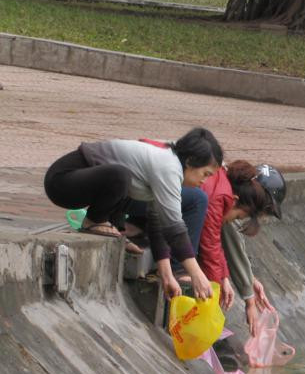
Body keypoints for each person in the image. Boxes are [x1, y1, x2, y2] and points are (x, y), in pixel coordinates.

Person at [43, 128, 223, 299]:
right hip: (62, 182)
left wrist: (167, 275)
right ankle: (94, 220)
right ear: (190, 162)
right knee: (120, 176)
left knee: (129, 183)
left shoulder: (169, 166)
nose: (204, 181)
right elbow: (174, 228)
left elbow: (157, 218)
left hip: (83, 183)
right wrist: (196, 273)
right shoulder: (169, 167)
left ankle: (112, 227)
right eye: (205, 174)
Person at [197, 161, 285, 331]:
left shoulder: (223, 189)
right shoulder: (220, 198)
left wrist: (245, 279)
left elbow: (216, 241)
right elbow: (215, 244)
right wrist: (245, 298)